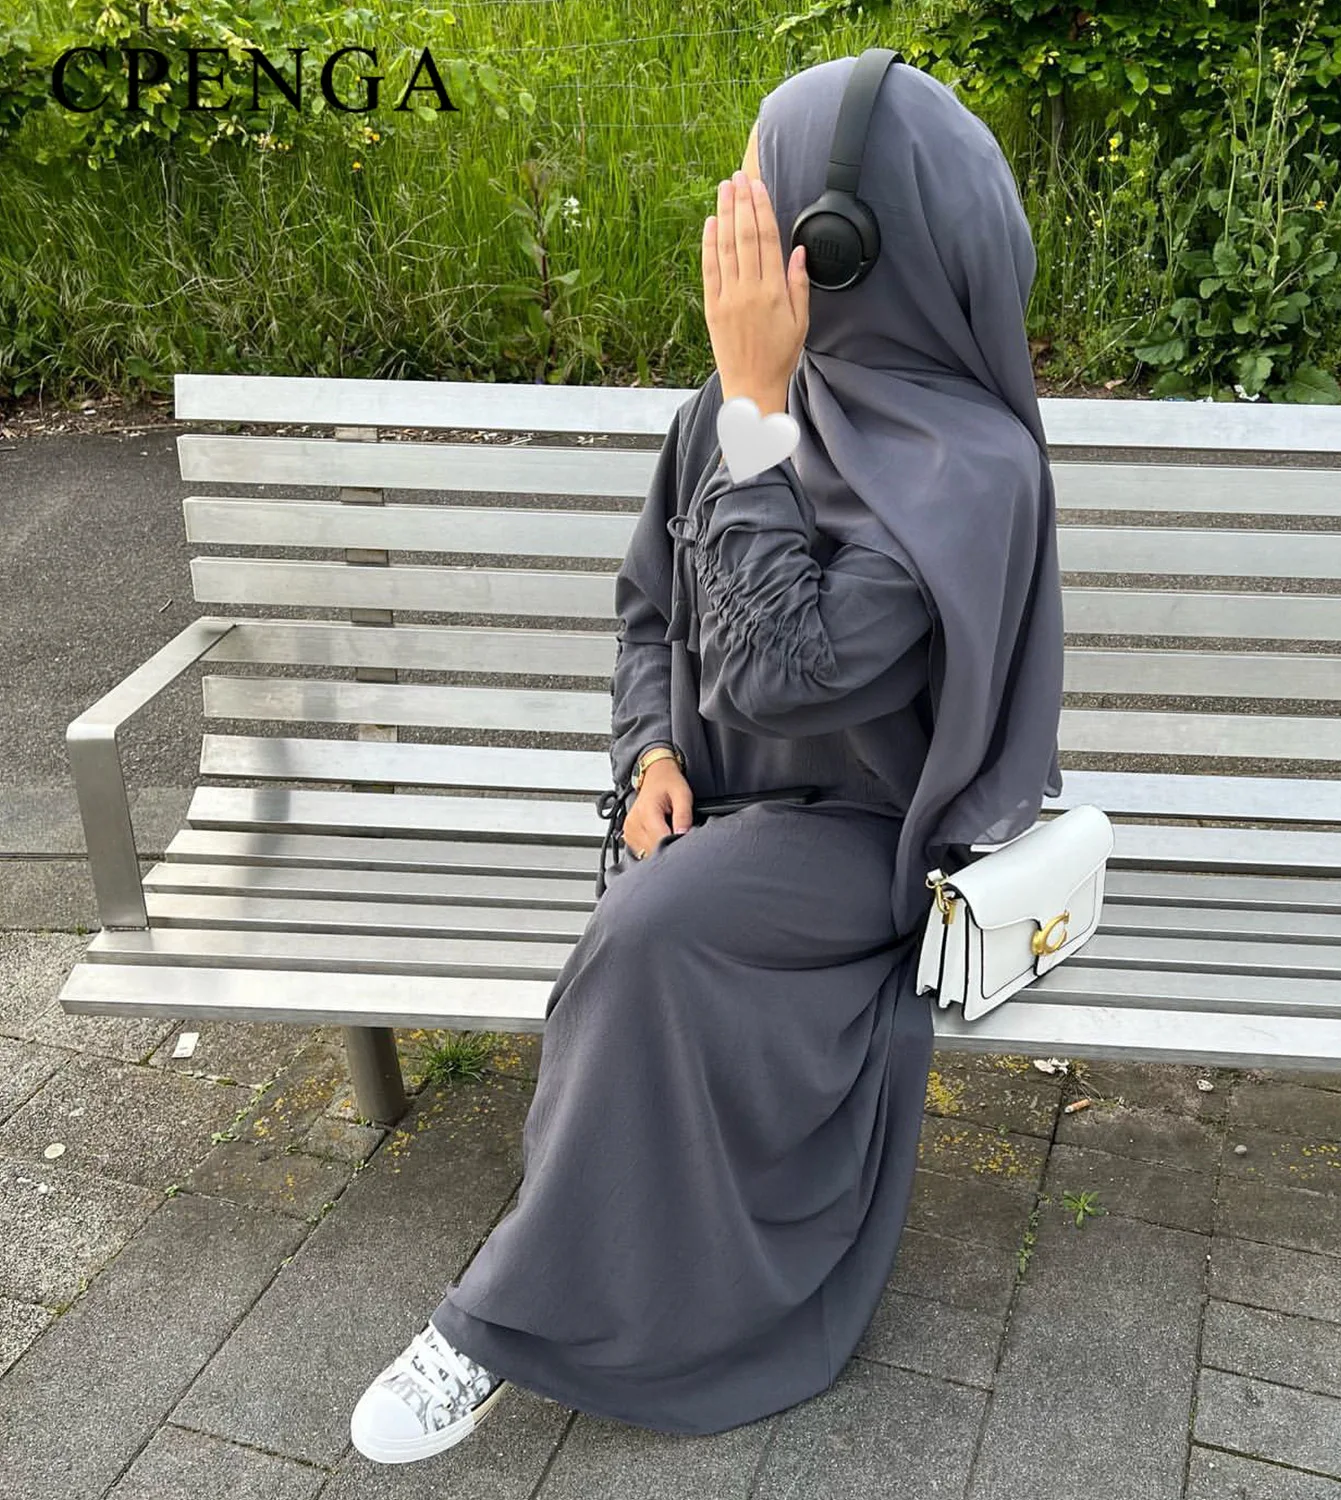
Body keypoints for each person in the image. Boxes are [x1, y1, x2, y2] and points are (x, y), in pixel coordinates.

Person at [349, 51, 1064, 1464]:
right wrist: (651, 753)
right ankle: (607, 1256)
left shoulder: (968, 468)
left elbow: (791, 671)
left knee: (650, 936)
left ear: (839, 246)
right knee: (649, 938)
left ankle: (493, 1324)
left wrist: (755, 416)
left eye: (763, 198)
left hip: (864, 838)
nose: (735, 228)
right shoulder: (725, 414)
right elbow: (652, 614)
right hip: (713, 816)